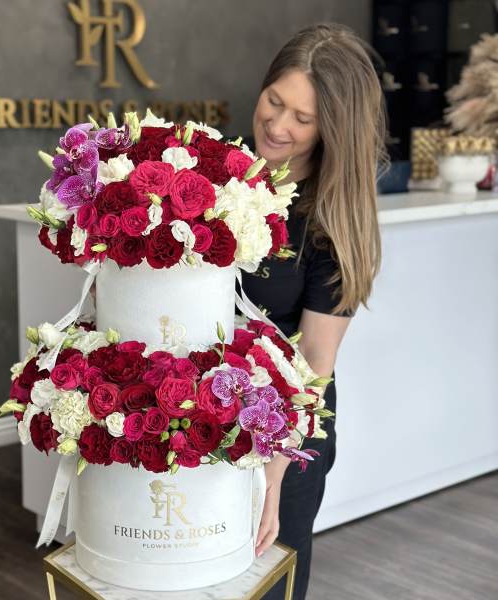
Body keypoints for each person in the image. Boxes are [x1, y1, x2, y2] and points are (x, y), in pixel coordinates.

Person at [242, 23, 388, 599]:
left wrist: (272, 469)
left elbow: (314, 361)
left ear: (334, 129)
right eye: (274, 101)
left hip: (287, 426)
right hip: (201, 412)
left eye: (303, 119)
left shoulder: (332, 218)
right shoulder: (215, 172)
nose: (278, 126)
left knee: (265, 583)